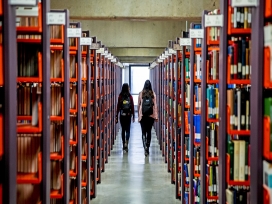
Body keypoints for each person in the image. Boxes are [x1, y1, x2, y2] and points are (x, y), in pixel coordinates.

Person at [138, 80, 158, 156]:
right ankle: (148, 148)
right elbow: (155, 106)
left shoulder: (141, 94)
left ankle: (145, 148)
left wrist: (139, 116)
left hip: (143, 116)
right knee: (149, 131)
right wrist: (156, 116)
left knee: (143, 132)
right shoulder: (153, 94)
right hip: (150, 116)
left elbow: (139, 105)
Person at [116, 83, 135, 152]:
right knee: (128, 130)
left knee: (123, 130)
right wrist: (133, 115)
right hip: (128, 115)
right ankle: (127, 142)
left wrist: (116, 114)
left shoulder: (120, 96)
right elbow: (132, 106)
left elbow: (118, 106)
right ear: (127, 88)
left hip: (122, 115)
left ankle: (123, 143)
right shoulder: (130, 97)